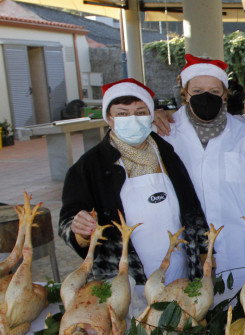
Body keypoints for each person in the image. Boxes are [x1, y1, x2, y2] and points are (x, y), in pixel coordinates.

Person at [59, 78, 207, 284]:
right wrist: (79, 230)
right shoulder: (89, 166)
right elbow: (67, 221)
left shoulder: (167, 154)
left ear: (151, 116)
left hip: (179, 273)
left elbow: (192, 207)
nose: (133, 119)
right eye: (122, 114)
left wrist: (205, 253)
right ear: (109, 118)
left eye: (140, 112)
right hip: (123, 281)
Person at [160, 54, 245, 289]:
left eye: (214, 92)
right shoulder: (165, 133)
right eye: (197, 91)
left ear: (224, 95)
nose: (205, 97)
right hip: (182, 245)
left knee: (234, 315)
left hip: (236, 244)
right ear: (185, 94)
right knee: (186, 312)